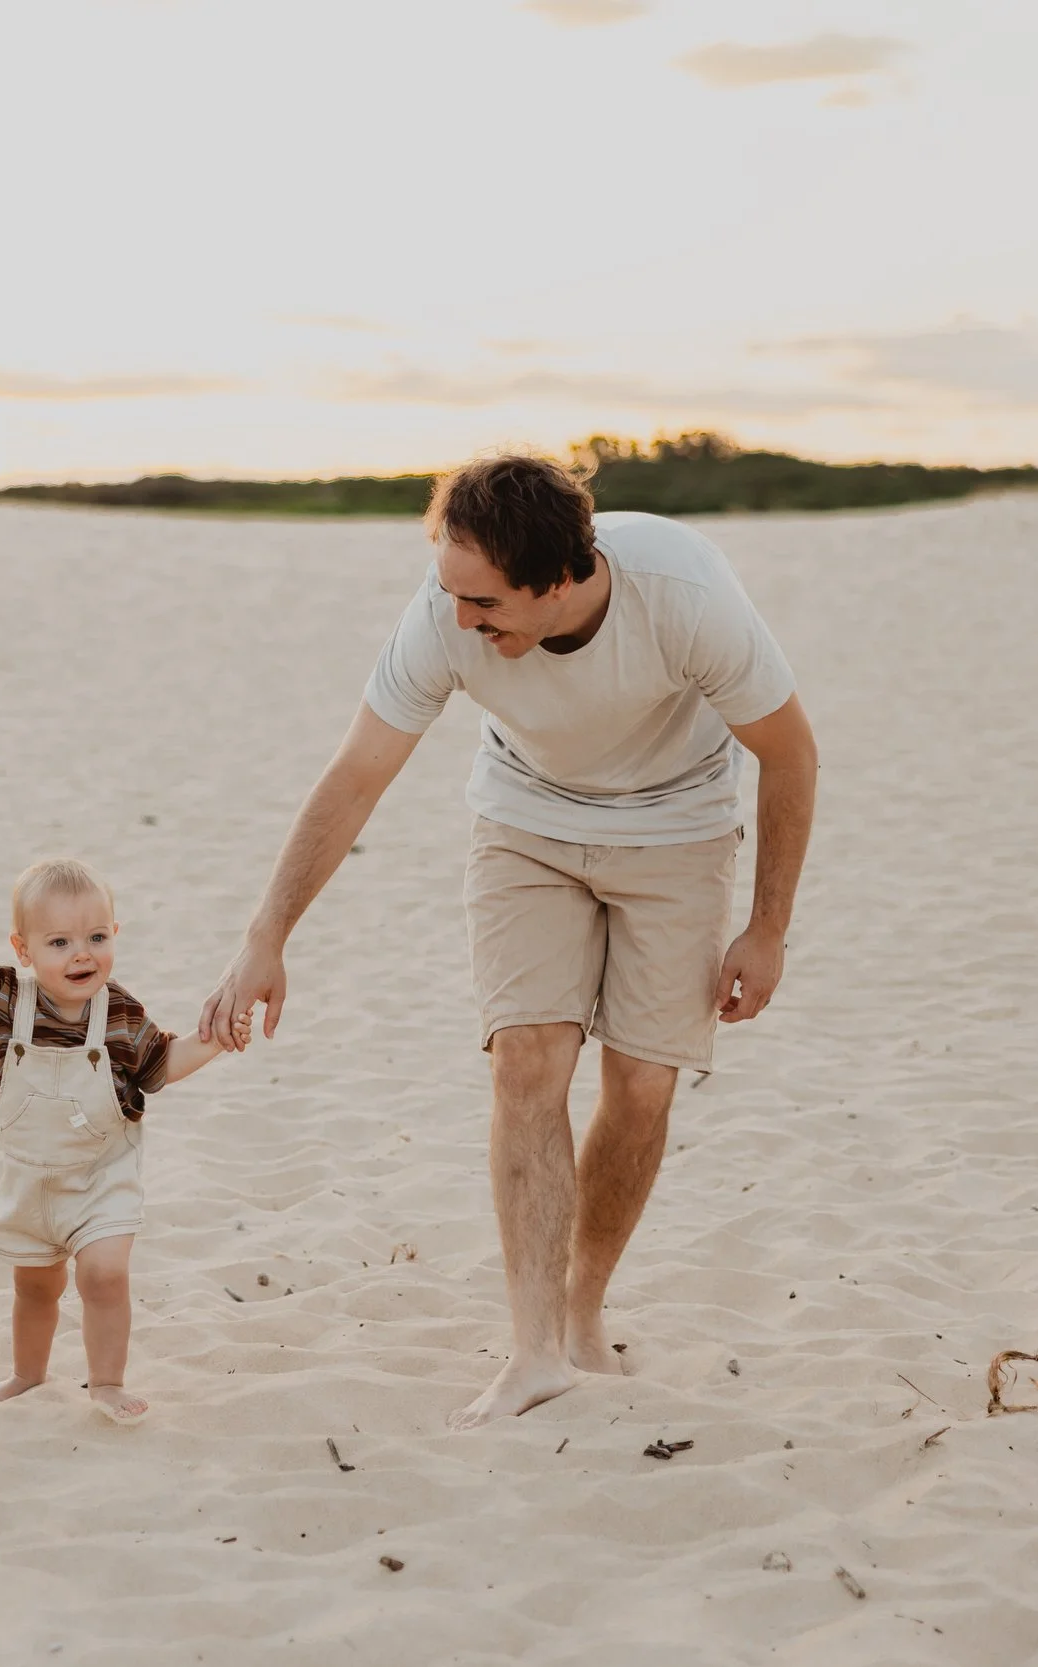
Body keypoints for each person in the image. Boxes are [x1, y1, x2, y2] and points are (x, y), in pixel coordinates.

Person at [199, 452, 817, 1428]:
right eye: (449, 591)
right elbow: (356, 774)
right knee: (528, 1057)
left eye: (483, 603)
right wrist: (264, 933)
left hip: (676, 829)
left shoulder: (683, 594)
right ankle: (533, 1350)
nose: (459, 620)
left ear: (559, 579)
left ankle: (580, 1312)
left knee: (643, 1083)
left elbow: (788, 750)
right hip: (524, 822)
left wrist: (768, 926)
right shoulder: (442, 612)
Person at [0, 858, 241, 1422]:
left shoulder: (118, 1012)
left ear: (115, 934)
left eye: (97, 937)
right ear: (23, 950)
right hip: (32, 1183)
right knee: (37, 1289)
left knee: (104, 1273)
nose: (82, 954)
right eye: (60, 941)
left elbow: (162, 1064)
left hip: (102, 1178)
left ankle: (106, 1383)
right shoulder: (3, 1003)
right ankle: (28, 1373)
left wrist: (214, 1041)